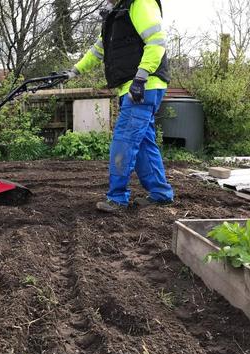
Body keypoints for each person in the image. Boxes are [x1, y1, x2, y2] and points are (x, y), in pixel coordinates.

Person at [64, 0, 174, 213]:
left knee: (124, 140)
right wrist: (74, 71)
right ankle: (161, 193)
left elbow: (156, 40)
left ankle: (117, 198)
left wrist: (141, 77)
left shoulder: (140, 3)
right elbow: (98, 51)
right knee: (143, 143)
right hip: (132, 87)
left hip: (144, 85)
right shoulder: (117, 15)